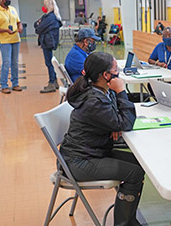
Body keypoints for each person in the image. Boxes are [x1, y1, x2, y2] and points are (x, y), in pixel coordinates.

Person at [60, 52, 145, 225]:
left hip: (93, 151)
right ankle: (123, 223)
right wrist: (121, 91)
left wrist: (114, 124)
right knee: (134, 173)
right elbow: (126, 123)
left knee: (139, 163)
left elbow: (118, 121)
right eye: (115, 69)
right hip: (79, 161)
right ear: (106, 75)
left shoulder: (100, 90)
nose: (118, 71)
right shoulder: (94, 100)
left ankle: (128, 218)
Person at [0, 0, 23, 94]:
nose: (9, 0)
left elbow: (18, 22)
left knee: (15, 62)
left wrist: (20, 27)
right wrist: (5, 30)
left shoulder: (13, 9)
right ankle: (4, 85)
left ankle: (15, 83)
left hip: (15, 39)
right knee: (6, 63)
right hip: (5, 41)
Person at [34, 0, 62, 93]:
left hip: (48, 42)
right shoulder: (49, 16)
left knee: (49, 63)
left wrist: (39, 24)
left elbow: (39, 28)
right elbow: (36, 24)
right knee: (49, 62)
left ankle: (52, 83)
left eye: (45, 5)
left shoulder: (50, 17)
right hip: (48, 41)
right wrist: (38, 24)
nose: (43, 7)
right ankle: (54, 82)